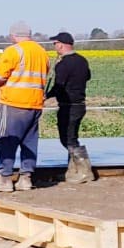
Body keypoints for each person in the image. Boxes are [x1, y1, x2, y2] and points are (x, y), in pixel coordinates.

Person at [0, 22, 50, 193]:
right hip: (35, 104)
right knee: (29, 142)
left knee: (6, 140)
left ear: (14, 36)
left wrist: (0, 83)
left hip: (14, 102)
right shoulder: (41, 52)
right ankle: (26, 179)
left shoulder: (14, 51)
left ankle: (5, 179)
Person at [47, 31, 95, 184]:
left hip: (68, 106)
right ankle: (72, 171)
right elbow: (87, 76)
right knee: (72, 136)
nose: (55, 46)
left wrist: (45, 96)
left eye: (55, 44)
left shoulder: (63, 64)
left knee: (67, 139)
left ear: (61, 44)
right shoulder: (82, 60)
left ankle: (84, 171)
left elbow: (59, 86)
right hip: (80, 104)